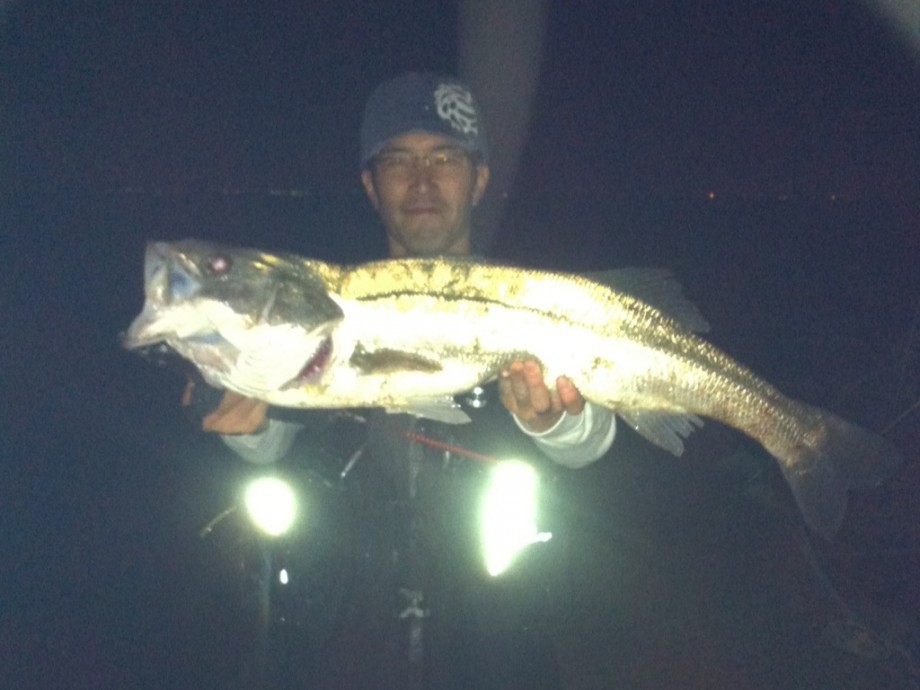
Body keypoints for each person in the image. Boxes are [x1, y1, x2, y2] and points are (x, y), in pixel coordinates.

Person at [189, 72, 616, 688]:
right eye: (398, 161)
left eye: (444, 158)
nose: (421, 180)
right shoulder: (324, 305)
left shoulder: (533, 300)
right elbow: (275, 438)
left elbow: (591, 444)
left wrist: (557, 423)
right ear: (371, 185)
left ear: (479, 180)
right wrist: (247, 427)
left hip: (498, 642)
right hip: (340, 634)